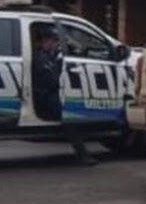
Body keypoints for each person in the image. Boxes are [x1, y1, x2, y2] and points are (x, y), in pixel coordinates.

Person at [31, 24, 97, 165]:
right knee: (69, 118)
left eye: (55, 41)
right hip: (44, 96)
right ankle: (83, 155)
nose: (55, 44)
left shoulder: (49, 56)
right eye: (53, 40)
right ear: (45, 41)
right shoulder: (40, 57)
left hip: (49, 94)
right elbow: (52, 79)